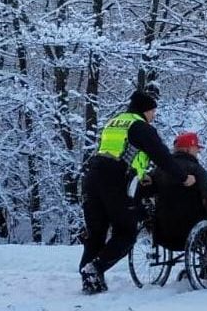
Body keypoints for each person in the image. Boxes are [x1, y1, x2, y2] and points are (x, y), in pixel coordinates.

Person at [79, 90, 195, 294]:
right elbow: (163, 158)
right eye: (153, 112)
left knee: (96, 233)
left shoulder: (114, 122)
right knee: (126, 232)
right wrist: (183, 178)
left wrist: (141, 175)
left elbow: (117, 153)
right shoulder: (140, 126)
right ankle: (95, 268)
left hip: (92, 177)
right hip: (114, 181)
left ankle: (90, 280)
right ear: (146, 110)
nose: (154, 116)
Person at [150, 131, 207, 254]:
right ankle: (206, 266)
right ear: (187, 150)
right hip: (190, 233)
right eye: (196, 148)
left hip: (164, 235)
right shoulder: (197, 171)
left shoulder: (158, 170)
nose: (198, 152)